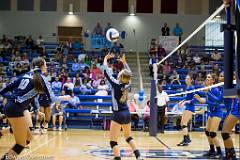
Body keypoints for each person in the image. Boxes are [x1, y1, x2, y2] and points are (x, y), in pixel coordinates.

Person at [0, 57, 69, 159]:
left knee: (28, 137)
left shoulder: (25, 75)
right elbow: (53, 98)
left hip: (12, 107)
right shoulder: (42, 78)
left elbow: (3, 91)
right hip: (16, 108)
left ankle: (8, 152)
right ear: (42, 65)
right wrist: (65, 97)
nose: (46, 66)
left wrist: (13, 99)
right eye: (45, 64)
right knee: (21, 144)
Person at [103, 53, 142, 160]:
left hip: (118, 114)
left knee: (113, 141)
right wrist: (124, 63)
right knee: (128, 137)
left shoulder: (116, 84)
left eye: (120, 73)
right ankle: (138, 156)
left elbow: (106, 72)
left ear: (120, 76)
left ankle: (118, 158)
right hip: (127, 113)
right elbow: (129, 73)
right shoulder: (128, 84)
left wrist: (105, 59)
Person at [194, 73, 223, 158]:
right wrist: (199, 99)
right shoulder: (208, 89)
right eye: (206, 77)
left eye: (209, 77)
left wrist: (207, 94)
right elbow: (206, 101)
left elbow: (217, 102)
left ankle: (219, 152)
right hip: (212, 112)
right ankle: (212, 150)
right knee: (207, 132)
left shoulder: (215, 90)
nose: (207, 79)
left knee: (213, 133)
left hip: (217, 112)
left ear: (213, 80)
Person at [177, 75, 196, 146]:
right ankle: (187, 138)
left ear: (191, 80)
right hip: (187, 107)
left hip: (190, 108)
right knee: (182, 123)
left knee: (184, 124)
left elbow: (194, 99)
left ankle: (186, 140)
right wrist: (182, 101)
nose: (186, 79)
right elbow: (187, 98)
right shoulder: (187, 88)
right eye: (186, 78)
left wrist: (186, 102)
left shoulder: (192, 88)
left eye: (188, 78)